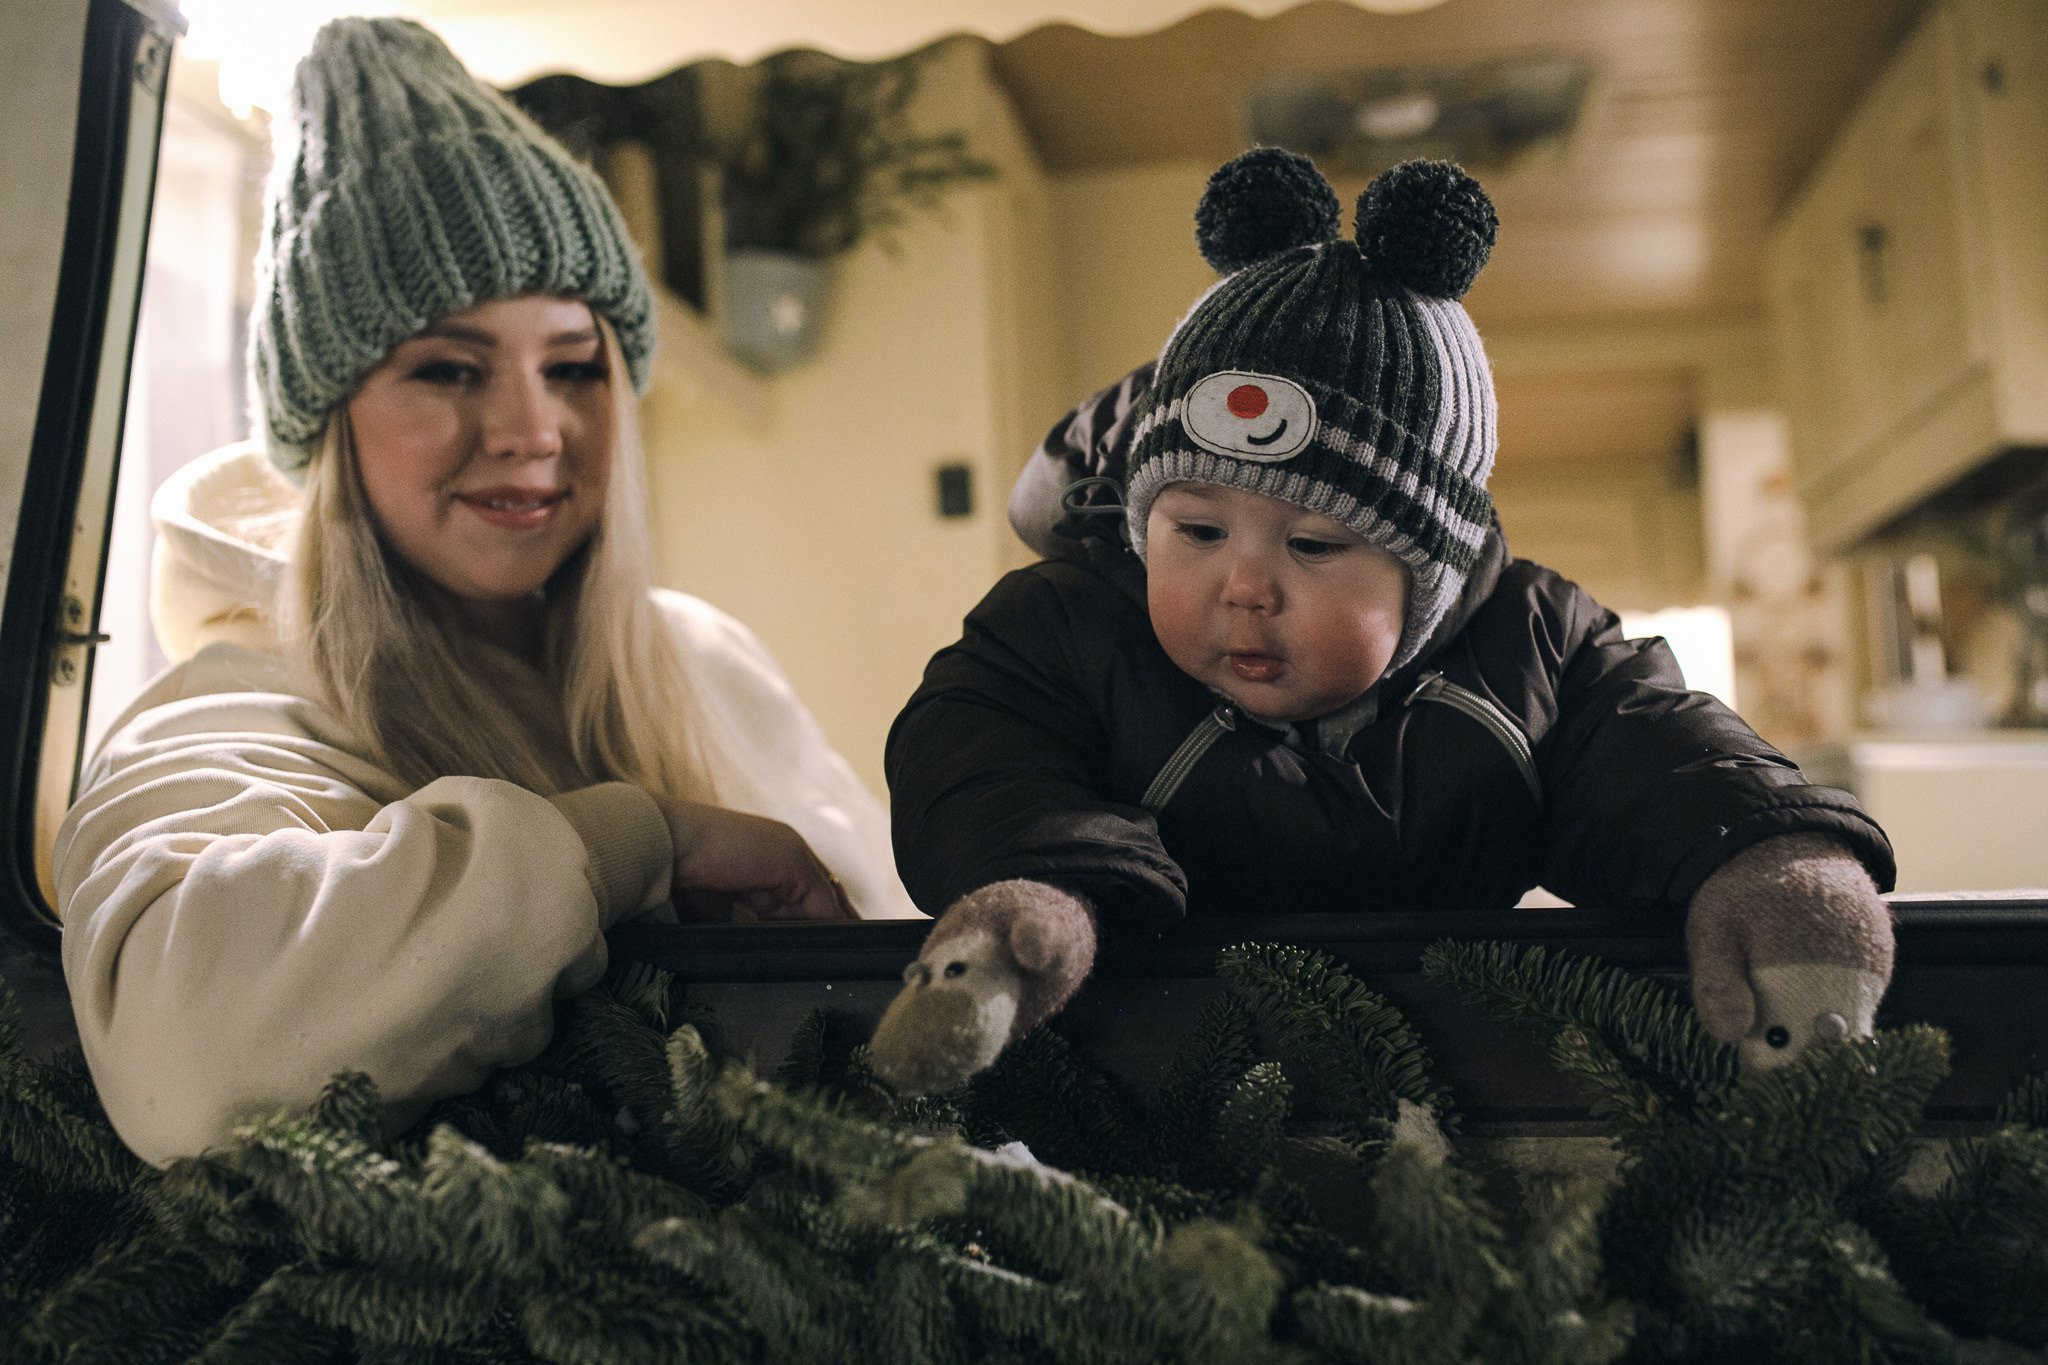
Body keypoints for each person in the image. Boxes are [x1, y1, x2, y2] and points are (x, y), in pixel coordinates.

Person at [57, 16, 917, 1167]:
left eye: (572, 367)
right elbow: (184, 1069)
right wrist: (637, 841)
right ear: (330, 424)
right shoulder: (245, 706)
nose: (530, 432)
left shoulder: (704, 658)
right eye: (448, 369)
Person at [868, 150, 1894, 1095]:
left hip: (1453, 1071)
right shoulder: (1066, 627)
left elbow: (1664, 758)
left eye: (1312, 546)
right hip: (1146, 1068)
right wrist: (1035, 895)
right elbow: (973, 748)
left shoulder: (1532, 647)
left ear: (1431, 579)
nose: (1242, 586)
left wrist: (1775, 861)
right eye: (1195, 529)